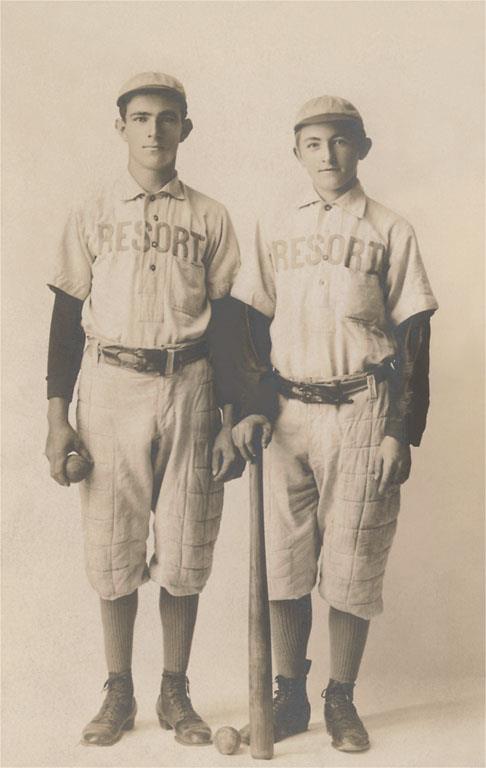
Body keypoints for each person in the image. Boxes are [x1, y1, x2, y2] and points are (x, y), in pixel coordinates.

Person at [231, 95, 438, 752]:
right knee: (284, 561)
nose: (328, 155)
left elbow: (413, 335)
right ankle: (289, 695)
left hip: (361, 409)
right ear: (297, 151)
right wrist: (251, 405)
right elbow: (249, 323)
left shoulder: (389, 228)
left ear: (363, 148)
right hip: (287, 413)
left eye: (341, 140)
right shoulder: (273, 225)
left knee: (353, 560)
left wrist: (399, 429)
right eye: (314, 143)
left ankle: (341, 698)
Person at [45, 71, 243, 748]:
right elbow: (66, 319)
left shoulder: (210, 216)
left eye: (166, 118)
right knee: (113, 545)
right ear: (121, 127)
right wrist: (56, 417)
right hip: (111, 384)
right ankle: (119, 689)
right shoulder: (93, 209)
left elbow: (228, 327)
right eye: (140, 118)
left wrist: (230, 418)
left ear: (186, 127)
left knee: (186, 545)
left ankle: (175, 689)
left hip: (191, 384)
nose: (154, 130)